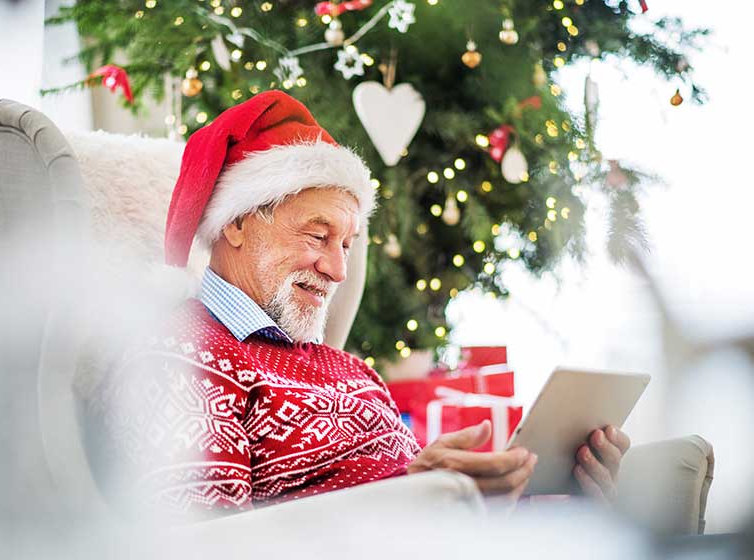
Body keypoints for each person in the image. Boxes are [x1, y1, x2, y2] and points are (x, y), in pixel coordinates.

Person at [87, 90, 629, 518]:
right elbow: (209, 541)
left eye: (345, 244)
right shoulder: (178, 357)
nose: (338, 270)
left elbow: (431, 500)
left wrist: (553, 494)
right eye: (318, 236)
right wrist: (410, 500)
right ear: (235, 221)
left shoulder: (350, 370)